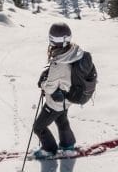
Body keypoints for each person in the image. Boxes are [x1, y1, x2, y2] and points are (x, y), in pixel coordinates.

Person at [32, 22, 84, 159]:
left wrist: (42, 82)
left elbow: (49, 87)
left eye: (52, 39)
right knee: (61, 121)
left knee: (39, 127)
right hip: (67, 98)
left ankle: (49, 150)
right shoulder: (73, 52)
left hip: (56, 102)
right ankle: (68, 145)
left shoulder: (58, 63)